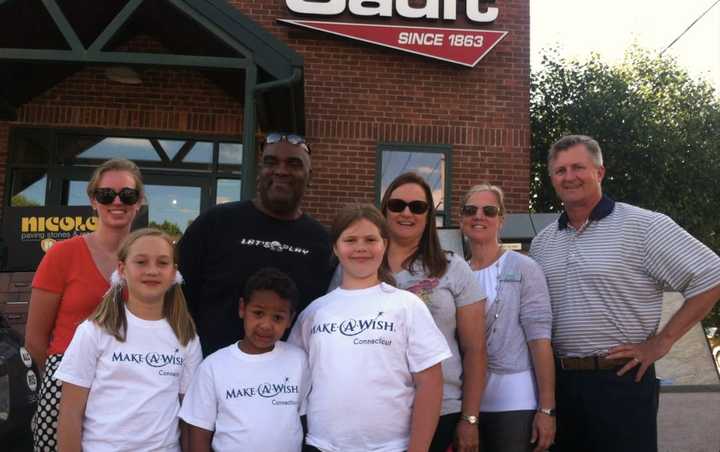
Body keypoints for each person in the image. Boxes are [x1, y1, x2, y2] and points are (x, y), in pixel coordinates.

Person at [529, 135, 720, 452]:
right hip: (559, 385)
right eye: (560, 170)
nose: (569, 176)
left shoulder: (644, 226)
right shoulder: (544, 242)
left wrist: (661, 342)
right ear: (552, 179)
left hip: (620, 381)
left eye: (578, 167)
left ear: (599, 172)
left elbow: (712, 275)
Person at [290, 204, 451, 452]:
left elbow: (430, 382)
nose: (361, 248)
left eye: (370, 239)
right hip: (323, 445)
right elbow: (294, 380)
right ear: (335, 247)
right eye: (350, 240)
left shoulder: (406, 305)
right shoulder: (314, 313)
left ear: (384, 244)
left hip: (391, 447)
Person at [25, 158, 144, 451]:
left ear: (138, 202)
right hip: (65, 385)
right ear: (93, 201)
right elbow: (36, 338)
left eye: (127, 195)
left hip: (128, 384)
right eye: (106, 195)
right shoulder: (62, 255)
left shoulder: (148, 261)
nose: (117, 202)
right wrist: (62, 376)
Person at [178, 132, 332, 356]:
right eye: (271, 162)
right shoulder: (215, 223)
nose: (281, 170)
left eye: (293, 163)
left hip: (288, 383)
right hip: (210, 375)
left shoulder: (322, 243)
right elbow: (179, 301)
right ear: (260, 172)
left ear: (310, 175)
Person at [54, 228, 202, 452]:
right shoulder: (94, 331)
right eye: (141, 262)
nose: (152, 270)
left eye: (162, 263)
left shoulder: (186, 338)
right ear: (122, 269)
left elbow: (189, 418)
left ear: (174, 273)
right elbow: (70, 413)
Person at [380, 172, 486, 452]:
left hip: (443, 410)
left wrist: (470, 418)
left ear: (429, 216)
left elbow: (475, 350)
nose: (406, 212)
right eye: (397, 205)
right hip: (374, 411)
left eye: (417, 207)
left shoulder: (453, 268)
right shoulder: (358, 265)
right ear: (384, 210)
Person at [460, 183, 555, 452]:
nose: (479, 216)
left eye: (489, 210)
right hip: (467, 402)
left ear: (501, 220)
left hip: (514, 401)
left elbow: (539, 341)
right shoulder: (456, 273)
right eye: (471, 210)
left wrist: (547, 409)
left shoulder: (524, 267)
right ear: (461, 218)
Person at [179, 267, 309, 452]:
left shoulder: (298, 361)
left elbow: (301, 419)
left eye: (278, 317)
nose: (266, 325)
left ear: (290, 319)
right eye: (258, 313)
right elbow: (199, 431)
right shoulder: (214, 366)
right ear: (242, 308)